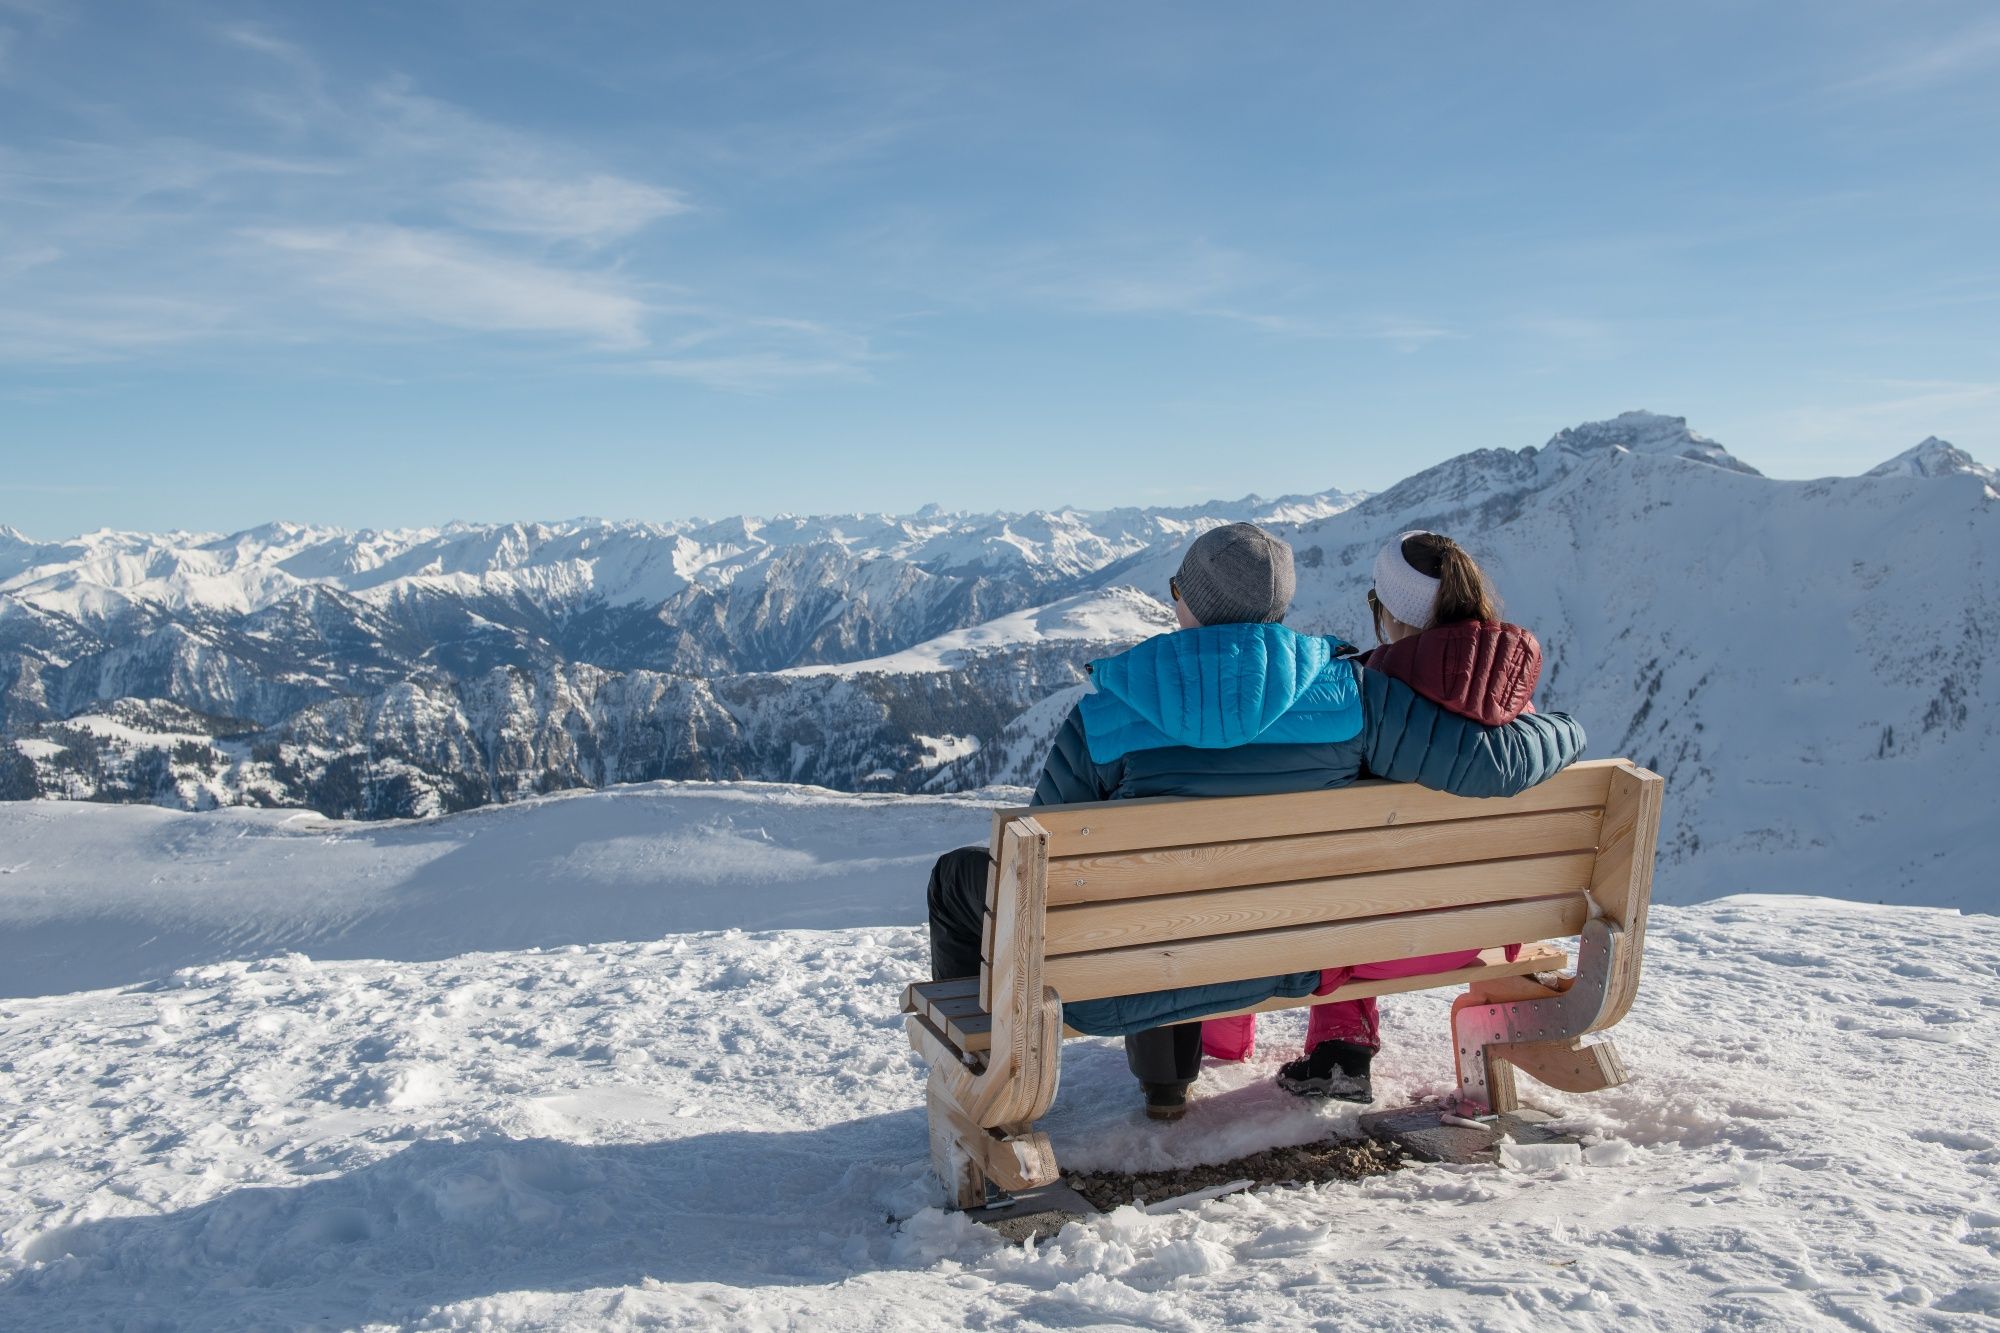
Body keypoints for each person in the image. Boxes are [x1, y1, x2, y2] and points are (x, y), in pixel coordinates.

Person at [925, 522, 1585, 1120]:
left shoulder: (1100, 719)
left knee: (960, 878)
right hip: (1293, 959)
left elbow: (1044, 880)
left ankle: (984, 1072)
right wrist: (1566, 726)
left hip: (1116, 981)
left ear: (1186, 602)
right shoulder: (1359, 697)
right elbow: (1487, 762)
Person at [1201, 530, 1546, 1102]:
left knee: (1333, 888)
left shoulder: (1361, 695)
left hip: (1371, 936)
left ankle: (1303, 1046)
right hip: (1489, 925)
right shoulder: (1517, 703)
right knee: (1363, 886)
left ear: (1384, 611)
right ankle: (1340, 1045)